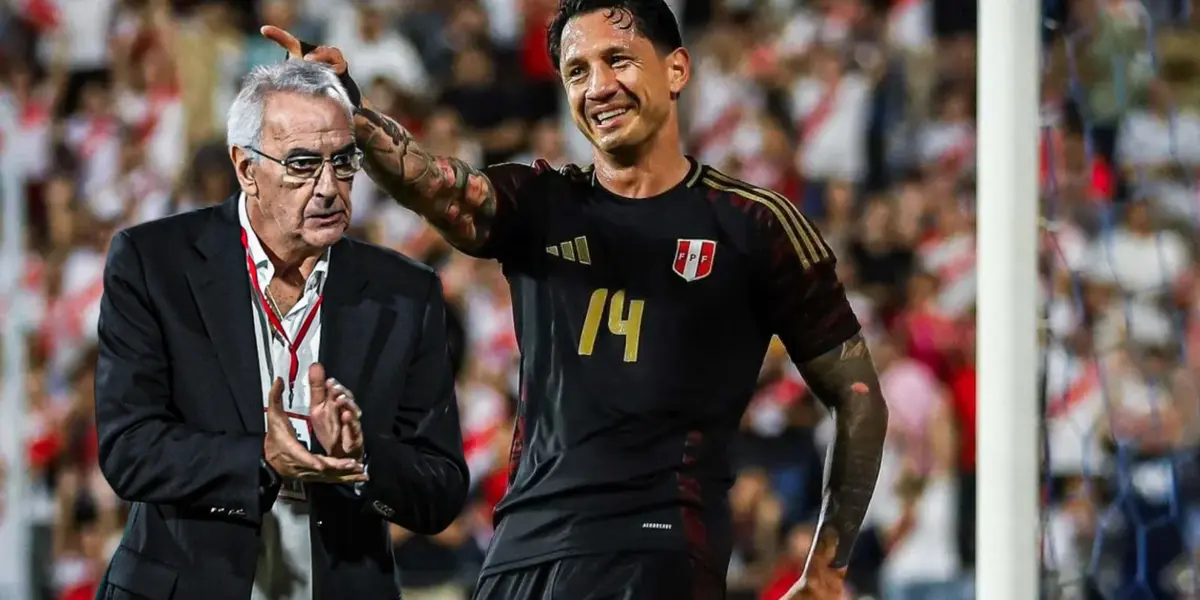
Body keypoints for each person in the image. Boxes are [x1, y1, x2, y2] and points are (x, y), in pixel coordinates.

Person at [265, 0, 890, 594]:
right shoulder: (542, 203)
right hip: (520, 552)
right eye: (576, 71)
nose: (598, 87)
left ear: (677, 68)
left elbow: (857, 397)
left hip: (655, 547)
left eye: (618, 60)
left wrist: (827, 568)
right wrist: (348, 108)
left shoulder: (755, 224)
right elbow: (437, 186)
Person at [93, 60, 468, 600]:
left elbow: (441, 489)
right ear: (246, 168)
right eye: (301, 164)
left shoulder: (406, 292)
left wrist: (363, 459)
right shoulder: (154, 263)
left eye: (343, 163)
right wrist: (260, 458)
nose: (329, 189)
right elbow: (129, 448)